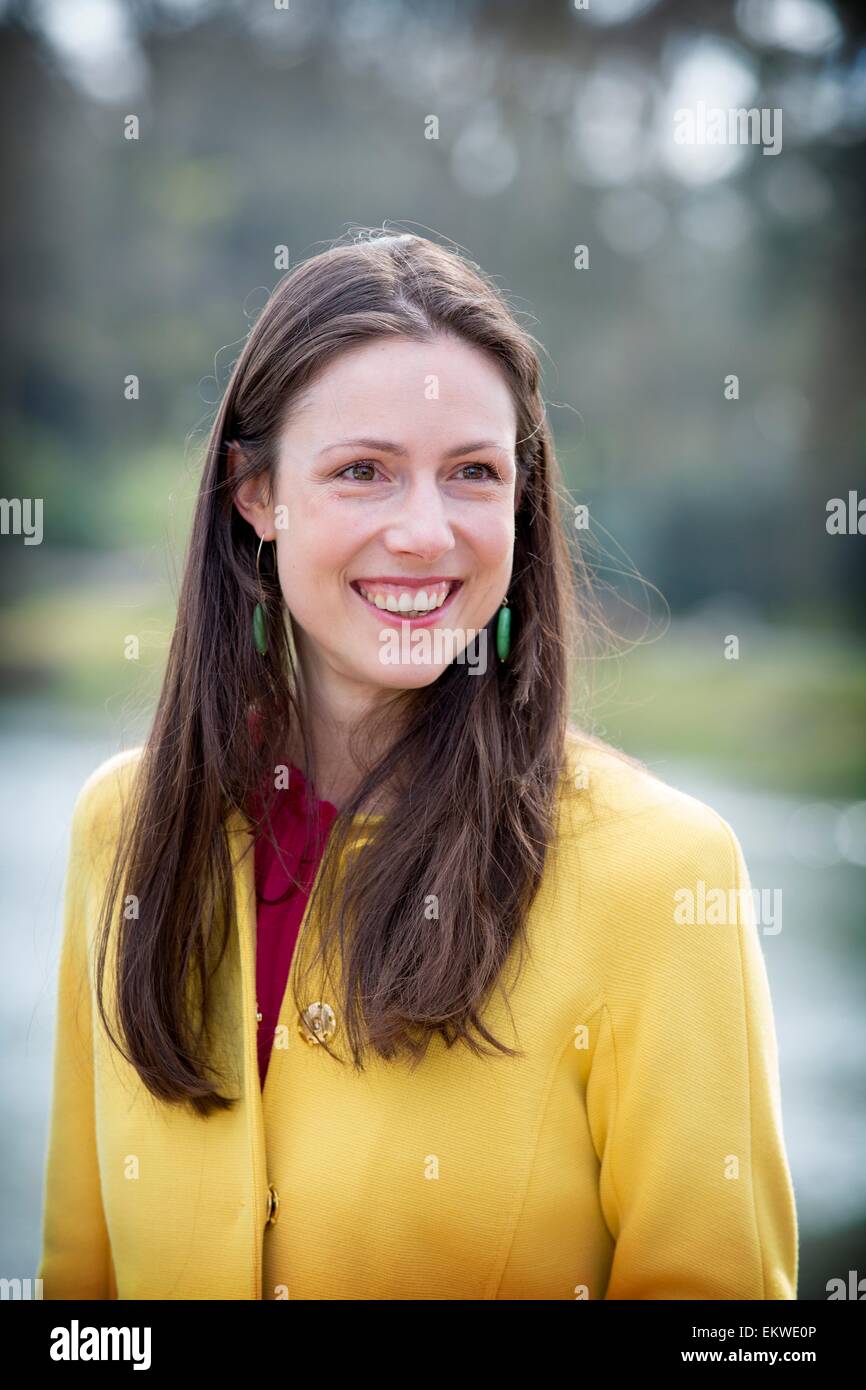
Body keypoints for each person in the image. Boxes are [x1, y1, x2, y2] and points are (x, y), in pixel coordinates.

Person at [37, 230, 798, 1300]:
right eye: (363, 471)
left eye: (472, 474)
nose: (424, 531)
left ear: (520, 500)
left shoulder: (662, 873)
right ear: (255, 494)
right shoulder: (118, 826)